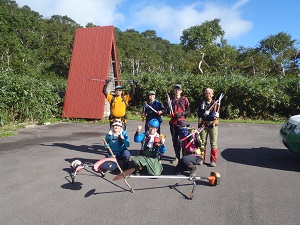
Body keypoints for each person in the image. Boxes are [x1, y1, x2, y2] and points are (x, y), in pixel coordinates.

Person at [167, 84, 190, 165]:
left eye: (178, 89)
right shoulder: (171, 100)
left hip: (182, 122)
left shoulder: (185, 99)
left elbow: (189, 110)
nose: (177, 91)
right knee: (174, 140)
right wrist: (169, 113)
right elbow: (168, 110)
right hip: (173, 122)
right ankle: (177, 157)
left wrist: (182, 113)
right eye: (175, 90)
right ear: (174, 91)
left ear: (181, 91)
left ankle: (184, 157)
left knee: (182, 140)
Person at [197, 88, 220, 167]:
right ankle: (201, 159)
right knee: (202, 142)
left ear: (213, 94)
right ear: (204, 94)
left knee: (213, 144)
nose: (208, 95)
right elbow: (199, 116)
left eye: (210, 93)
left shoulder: (216, 104)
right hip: (204, 125)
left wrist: (217, 117)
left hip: (213, 126)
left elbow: (218, 114)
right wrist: (202, 119)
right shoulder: (201, 104)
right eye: (207, 93)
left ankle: (213, 160)